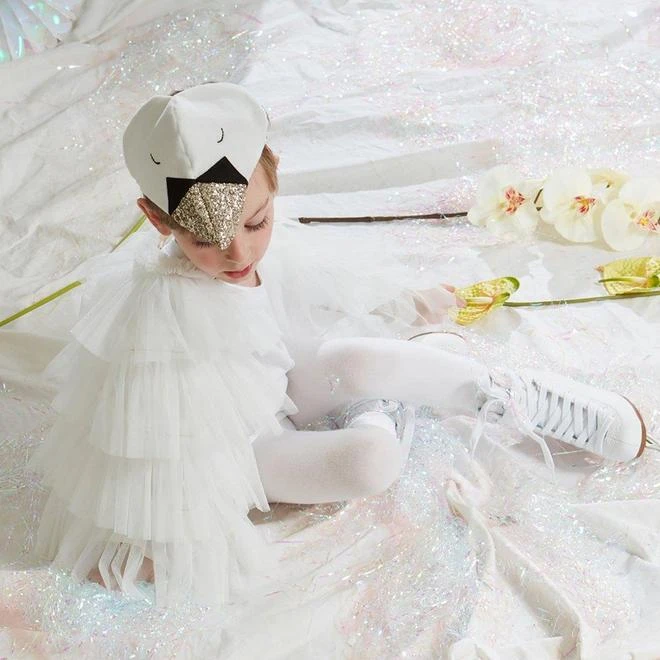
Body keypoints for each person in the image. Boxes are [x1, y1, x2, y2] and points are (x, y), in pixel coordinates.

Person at [27, 81, 648, 609]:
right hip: (244, 451)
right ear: (158, 220)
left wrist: (408, 304)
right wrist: (158, 542)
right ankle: (381, 409)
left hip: (280, 383)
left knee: (360, 356)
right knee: (369, 462)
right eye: (203, 240)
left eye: (256, 223)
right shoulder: (158, 317)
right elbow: (153, 457)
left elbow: (311, 301)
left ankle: (508, 395)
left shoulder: (261, 245)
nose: (239, 253)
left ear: (273, 184)